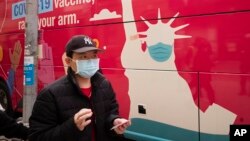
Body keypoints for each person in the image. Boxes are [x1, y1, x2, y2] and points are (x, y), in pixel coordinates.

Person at [29, 35, 131, 141]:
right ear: (68, 61)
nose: (91, 61)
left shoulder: (104, 85)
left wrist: (114, 122)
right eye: (83, 57)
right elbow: (37, 137)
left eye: (94, 56)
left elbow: (111, 113)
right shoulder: (50, 94)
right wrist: (72, 126)